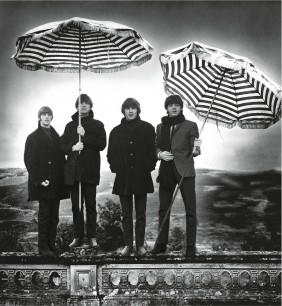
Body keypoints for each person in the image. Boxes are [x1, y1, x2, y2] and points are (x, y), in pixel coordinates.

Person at [151, 95, 202, 256]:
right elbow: (156, 146)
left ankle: (190, 247)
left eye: (177, 105)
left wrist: (196, 149)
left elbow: (197, 144)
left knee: (190, 210)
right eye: (171, 105)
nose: (173, 108)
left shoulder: (191, 125)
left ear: (181, 108)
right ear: (166, 108)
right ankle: (160, 244)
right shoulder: (160, 127)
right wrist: (160, 155)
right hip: (166, 171)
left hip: (185, 171)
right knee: (163, 209)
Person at [107, 98, 157, 256]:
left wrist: (148, 166)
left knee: (141, 214)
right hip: (124, 178)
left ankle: (140, 246)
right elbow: (111, 155)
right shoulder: (115, 131)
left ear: (138, 110)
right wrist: (117, 168)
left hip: (142, 176)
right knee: (126, 215)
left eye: (133, 108)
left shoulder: (148, 129)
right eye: (127, 108)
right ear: (123, 110)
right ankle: (128, 245)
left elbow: (152, 152)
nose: (130, 110)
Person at [60, 94, 106, 248]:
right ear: (77, 106)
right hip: (74, 174)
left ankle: (92, 237)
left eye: (87, 103)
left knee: (91, 206)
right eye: (81, 103)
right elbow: (61, 146)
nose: (84, 105)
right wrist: (73, 147)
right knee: (76, 207)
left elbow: (101, 144)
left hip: (90, 172)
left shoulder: (97, 125)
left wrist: (85, 135)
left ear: (90, 106)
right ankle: (77, 237)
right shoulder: (69, 126)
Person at [24, 106, 69, 256]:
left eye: (49, 114)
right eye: (43, 114)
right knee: (44, 216)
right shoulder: (32, 137)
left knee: (54, 216)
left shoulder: (56, 136)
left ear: (52, 117)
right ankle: (43, 247)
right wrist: (39, 179)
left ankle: (51, 245)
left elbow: (61, 158)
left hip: (56, 183)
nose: (46, 117)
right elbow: (30, 161)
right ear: (39, 117)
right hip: (43, 184)